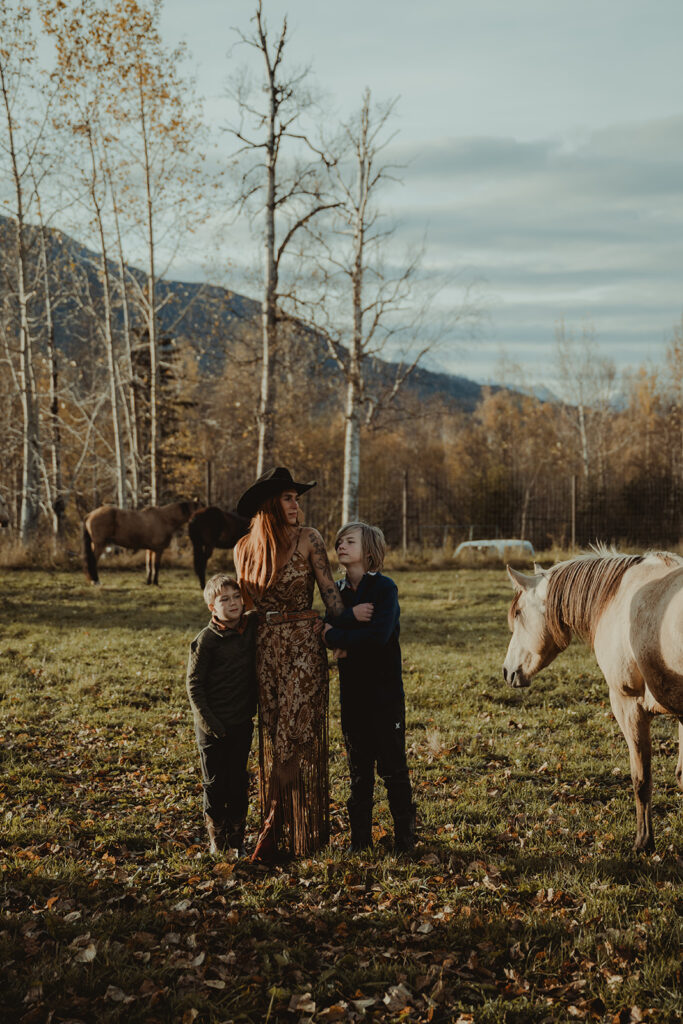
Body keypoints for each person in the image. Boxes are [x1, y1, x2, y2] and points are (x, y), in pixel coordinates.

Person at [233, 466, 345, 863]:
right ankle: (291, 831)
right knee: (275, 733)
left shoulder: (309, 539)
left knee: (292, 738)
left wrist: (344, 636)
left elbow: (332, 598)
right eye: (288, 498)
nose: (297, 505)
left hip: (303, 647)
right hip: (266, 650)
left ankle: (274, 825)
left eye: (297, 498)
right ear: (270, 504)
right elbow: (244, 608)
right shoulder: (244, 546)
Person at [322, 521, 417, 854]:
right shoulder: (335, 592)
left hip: (385, 695)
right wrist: (350, 617)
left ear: (369, 550)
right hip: (353, 697)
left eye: (349, 541)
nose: (341, 545)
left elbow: (377, 638)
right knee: (358, 772)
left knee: (392, 768)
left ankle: (406, 840)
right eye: (339, 542)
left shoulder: (384, 589)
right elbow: (324, 629)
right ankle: (359, 842)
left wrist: (338, 635)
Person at [186, 573, 257, 856]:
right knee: (215, 783)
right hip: (212, 725)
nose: (233, 603)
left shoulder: (251, 626)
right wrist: (211, 724)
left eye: (237, 597)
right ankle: (216, 837)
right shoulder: (206, 641)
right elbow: (194, 685)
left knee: (239, 780)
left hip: (241, 722)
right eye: (224, 599)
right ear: (212, 608)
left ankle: (237, 836)